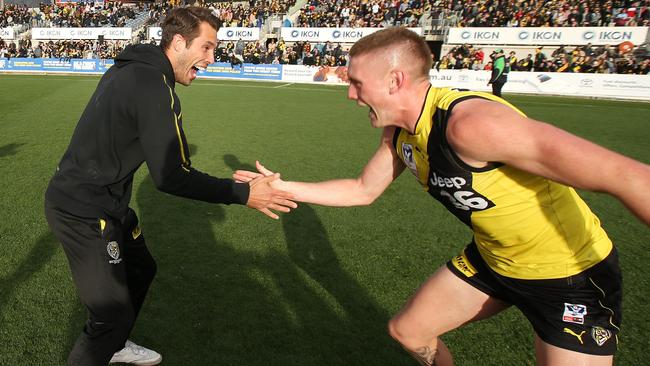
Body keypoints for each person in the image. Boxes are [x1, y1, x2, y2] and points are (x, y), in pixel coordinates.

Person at [234, 27, 650, 366]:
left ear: (395, 80)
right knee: (408, 331)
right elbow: (363, 190)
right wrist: (283, 187)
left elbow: (626, 175)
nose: (350, 95)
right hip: (494, 261)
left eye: (357, 84)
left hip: (570, 276)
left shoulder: (471, 124)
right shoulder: (397, 132)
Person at [44, 7, 296, 366]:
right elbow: (171, 176)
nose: (212, 58)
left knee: (141, 268)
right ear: (178, 42)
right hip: (82, 210)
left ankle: (115, 345)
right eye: (206, 48)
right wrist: (244, 194)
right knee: (109, 316)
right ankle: (111, 338)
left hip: (106, 203)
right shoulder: (154, 86)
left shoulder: (131, 69)